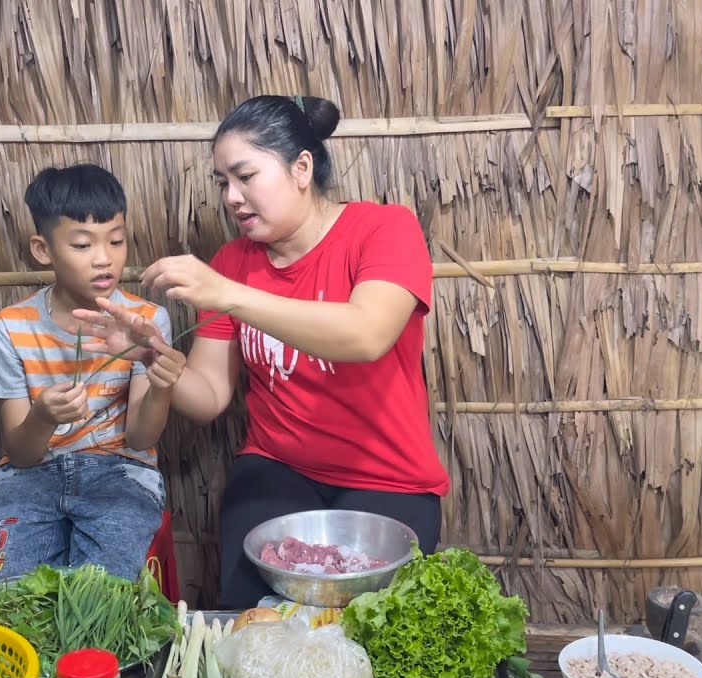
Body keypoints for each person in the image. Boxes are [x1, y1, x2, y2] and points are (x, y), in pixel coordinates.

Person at [74, 95, 451, 608]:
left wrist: (229, 294)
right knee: (252, 615)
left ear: (301, 167)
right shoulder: (233, 262)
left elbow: (367, 335)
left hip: (387, 476)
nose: (231, 196)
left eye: (245, 176)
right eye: (222, 183)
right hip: (277, 468)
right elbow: (207, 395)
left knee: (369, 633)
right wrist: (151, 354)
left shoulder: (383, 230)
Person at [0, 164, 186, 586]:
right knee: (2, 595)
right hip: (31, 475)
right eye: (83, 244)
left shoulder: (146, 320)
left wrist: (161, 382)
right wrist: (43, 417)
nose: (104, 258)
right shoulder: (11, 327)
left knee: (101, 596)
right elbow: (20, 453)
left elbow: (142, 439)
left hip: (121, 471)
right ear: (43, 249)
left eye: (116, 240)